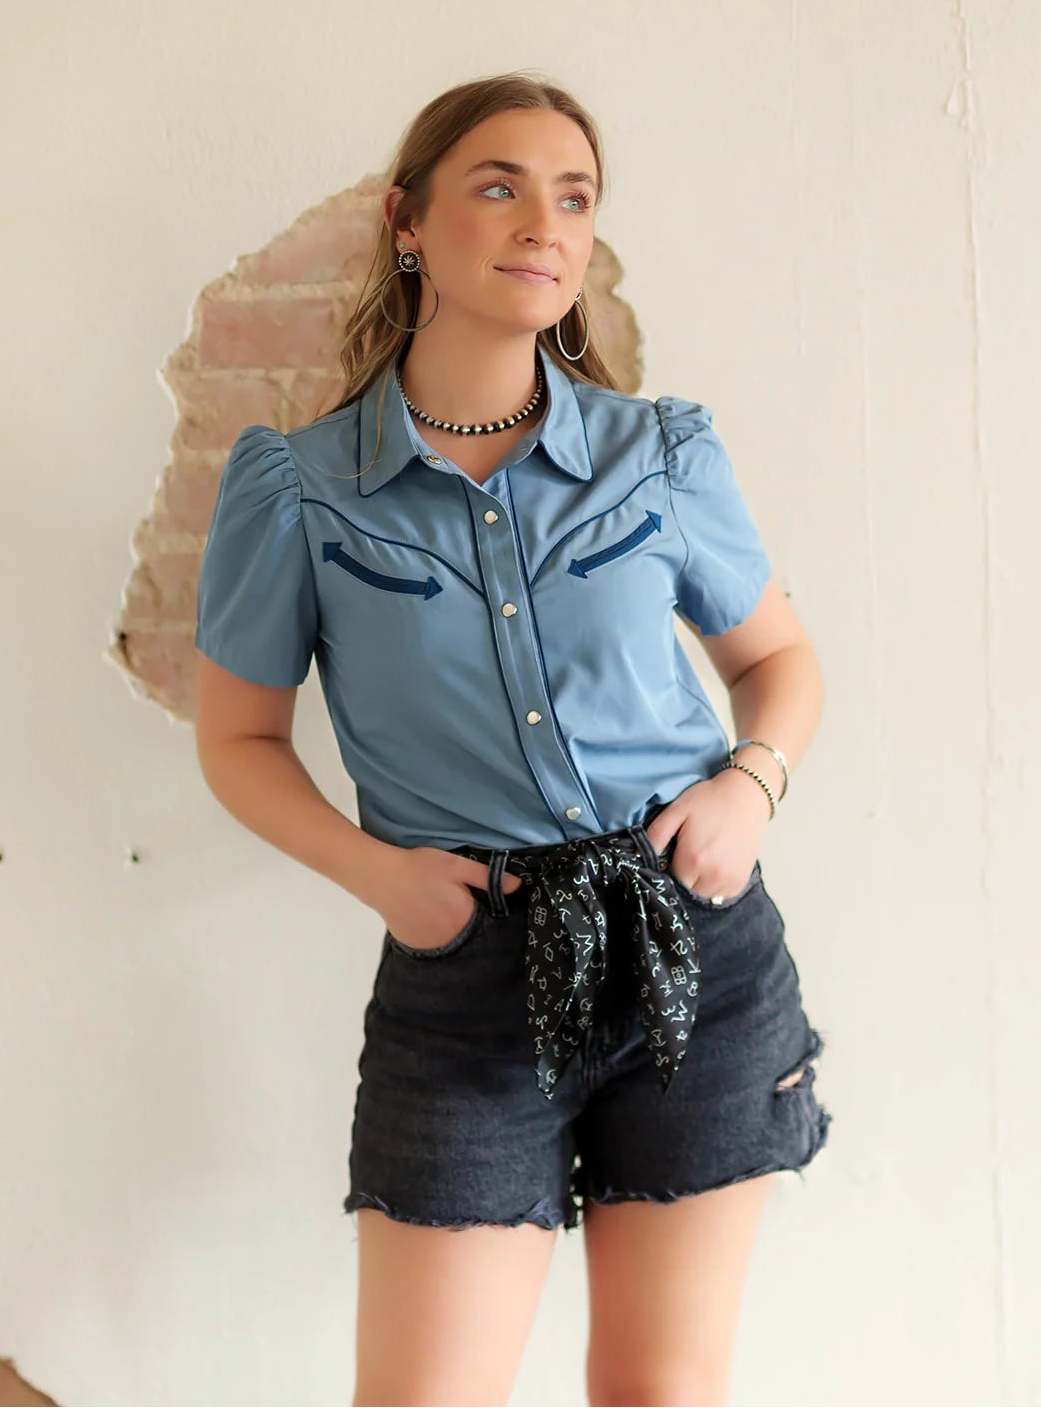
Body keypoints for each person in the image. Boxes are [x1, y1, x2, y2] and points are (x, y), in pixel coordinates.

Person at [193, 70, 831, 1408]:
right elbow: (239, 738)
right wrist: (382, 876)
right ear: (407, 220)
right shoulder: (299, 488)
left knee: (662, 1390)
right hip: (467, 974)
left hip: (693, 947)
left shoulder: (660, 453)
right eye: (500, 187)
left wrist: (752, 786)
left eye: (575, 197)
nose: (546, 223)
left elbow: (778, 663)